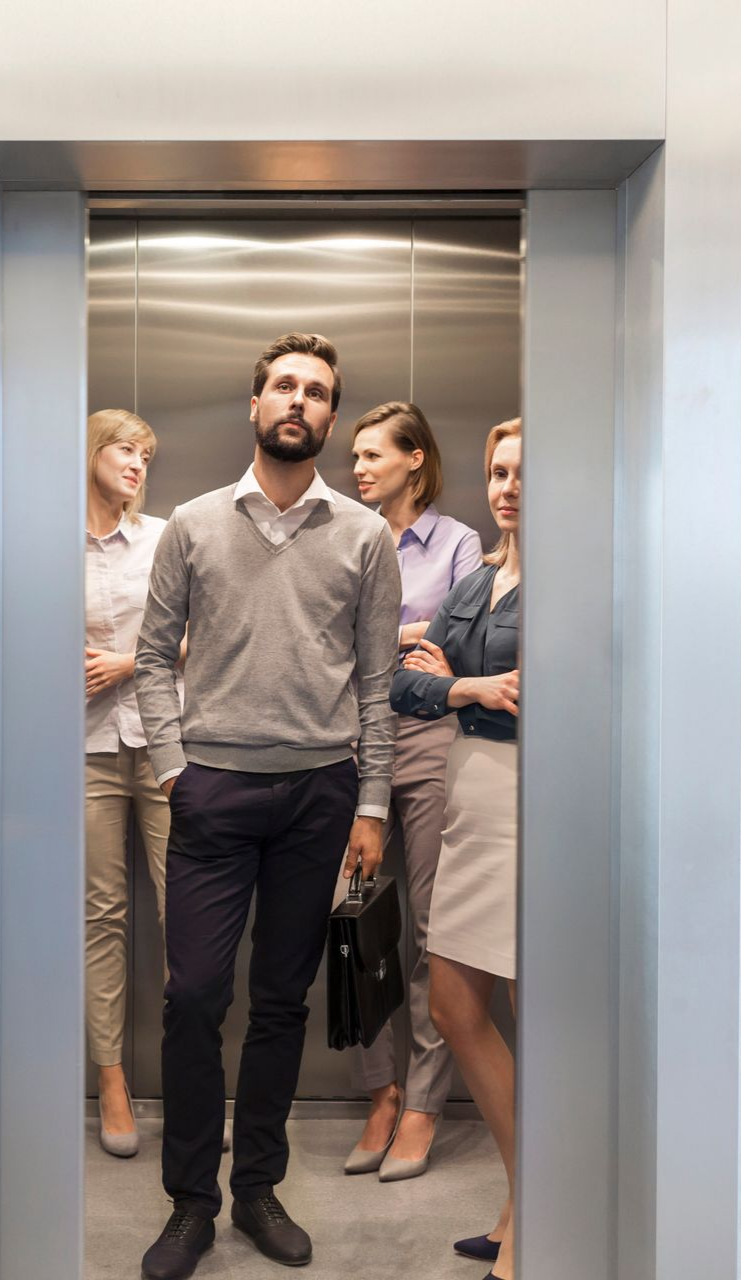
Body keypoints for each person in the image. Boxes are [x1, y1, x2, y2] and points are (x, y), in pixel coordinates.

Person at [134, 333, 402, 1280]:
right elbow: (155, 655)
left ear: (330, 417)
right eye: (283, 386)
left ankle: (254, 1190)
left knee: (282, 1002)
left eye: (317, 392)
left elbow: (376, 680)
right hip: (211, 792)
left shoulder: (364, 536)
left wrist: (370, 803)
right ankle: (189, 1206)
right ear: (255, 406)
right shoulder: (194, 526)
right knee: (195, 996)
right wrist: (174, 770)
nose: (299, 401)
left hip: (320, 797)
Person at [390, 418, 522, 1280]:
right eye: (497, 472)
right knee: (452, 1004)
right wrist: (469, 687)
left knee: (538, 1021)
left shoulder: (577, 576)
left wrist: (447, 682)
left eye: (523, 472)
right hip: (470, 802)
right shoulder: (482, 577)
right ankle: (532, 1195)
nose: (506, 486)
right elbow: (406, 680)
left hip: (530, 803)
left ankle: (533, 1216)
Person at [344, 401, 482, 1180]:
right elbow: (327, 635)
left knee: (430, 924)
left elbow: (454, 647)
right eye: (356, 455)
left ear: (414, 462)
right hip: (350, 741)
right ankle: (381, 1091)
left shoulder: (460, 542)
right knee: (352, 920)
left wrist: (376, 639)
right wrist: (404, 637)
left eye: (373, 455)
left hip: (430, 742)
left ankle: (426, 1101)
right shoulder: (344, 535)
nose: (358, 467)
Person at [83, 409, 173, 1159]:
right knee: (102, 915)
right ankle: (112, 1083)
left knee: (190, 911)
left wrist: (132, 661)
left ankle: (191, 1075)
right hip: (81, 749)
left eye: (146, 454)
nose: (139, 464)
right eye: (126, 449)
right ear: (90, 453)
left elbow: (204, 627)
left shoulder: (164, 536)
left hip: (163, 745)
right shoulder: (48, 544)